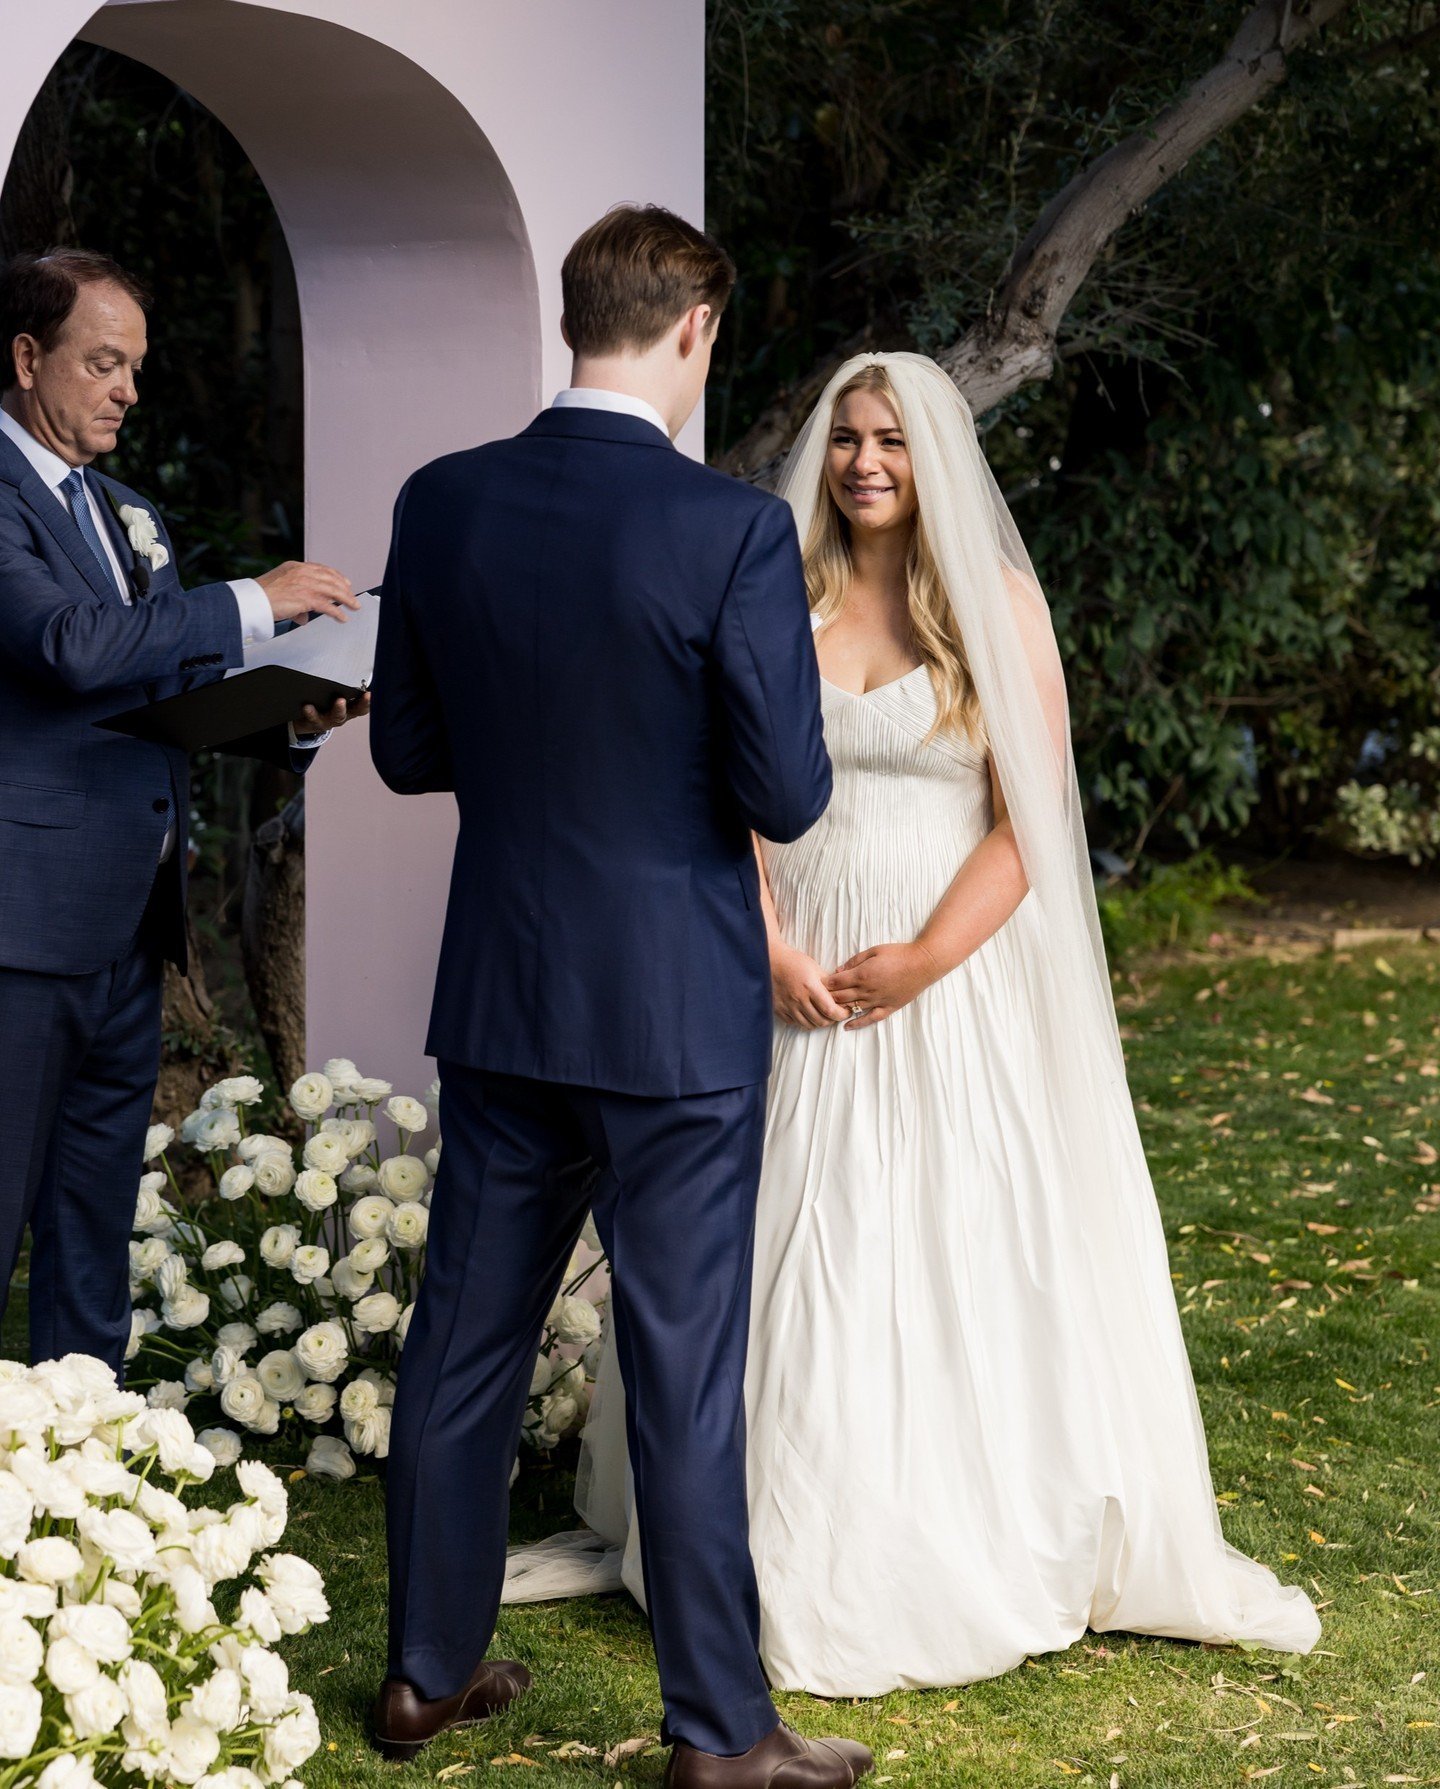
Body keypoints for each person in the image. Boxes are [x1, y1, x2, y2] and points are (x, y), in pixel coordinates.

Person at [512, 350, 1322, 1694]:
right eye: (845, 437)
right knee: (778, 1246)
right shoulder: (781, 588)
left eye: (889, 437)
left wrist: (927, 959)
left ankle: (943, 1529)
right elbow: (727, 789)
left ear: (932, 457)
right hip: (786, 968)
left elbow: (1031, 825)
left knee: (937, 1242)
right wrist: (769, 940)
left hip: (946, 980)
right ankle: (753, 1533)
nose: (865, 460)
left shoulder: (998, 607)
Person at [368, 206, 870, 1789]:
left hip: (509, 993)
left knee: (462, 1344)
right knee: (681, 1362)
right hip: (671, 1017)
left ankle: (422, 1676)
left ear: (574, 318)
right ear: (694, 333)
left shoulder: (439, 502)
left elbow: (405, 754)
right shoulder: (726, 531)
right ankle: (722, 1732)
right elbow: (786, 794)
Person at [0, 247, 363, 1374]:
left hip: (131, 930)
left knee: (92, 1227)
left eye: (136, 366)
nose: (128, 389)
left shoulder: (128, 515)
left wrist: (291, 716)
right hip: (17, 931)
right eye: (103, 362)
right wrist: (253, 599)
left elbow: (163, 699)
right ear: (24, 357)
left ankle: (72, 1471)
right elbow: (69, 649)